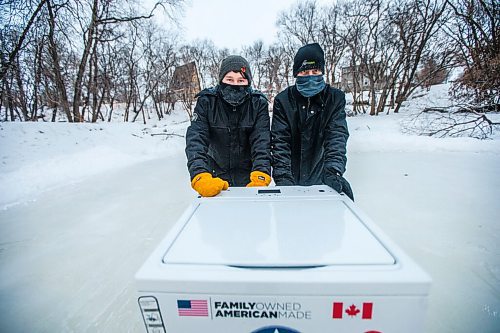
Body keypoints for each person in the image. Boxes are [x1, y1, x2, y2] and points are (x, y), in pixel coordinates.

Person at [271, 43, 354, 200]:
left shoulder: (334, 98)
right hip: (290, 176)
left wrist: (333, 170)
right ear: (296, 73)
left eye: (315, 71)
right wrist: (283, 178)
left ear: (322, 71)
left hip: (321, 174)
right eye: (304, 71)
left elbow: (336, 135)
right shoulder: (283, 100)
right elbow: (280, 141)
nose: (310, 76)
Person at [185, 55, 271, 197]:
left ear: (248, 82)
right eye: (229, 79)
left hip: (248, 177)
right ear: (221, 80)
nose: (235, 85)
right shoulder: (207, 101)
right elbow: (196, 139)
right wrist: (199, 175)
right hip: (214, 176)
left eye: (241, 80)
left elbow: (262, 142)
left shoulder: (258, 104)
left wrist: (261, 174)